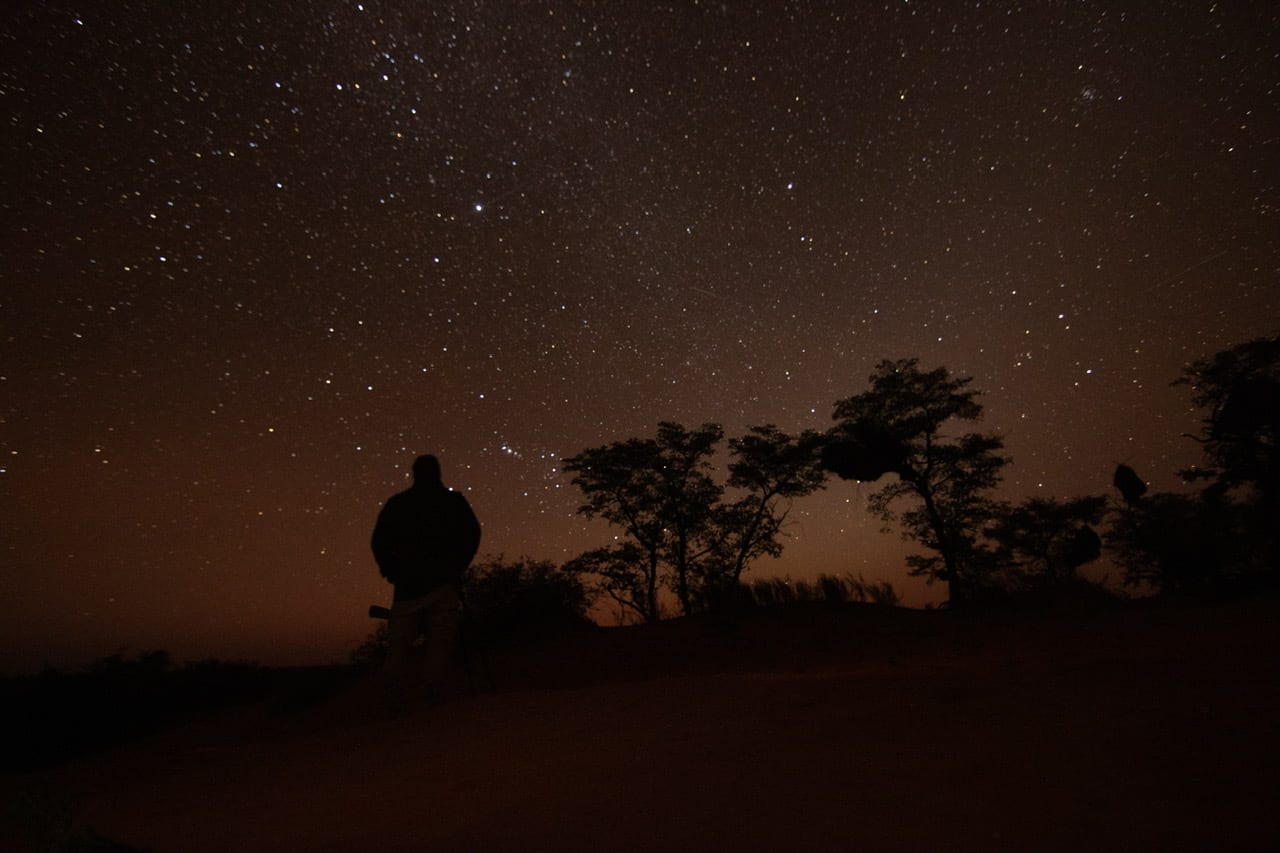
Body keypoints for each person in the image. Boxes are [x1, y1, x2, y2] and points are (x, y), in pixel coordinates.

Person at [371, 454, 481, 707]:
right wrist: (458, 566)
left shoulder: (398, 504)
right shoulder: (453, 501)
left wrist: (390, 571)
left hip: (407, 588)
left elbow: (379, 541)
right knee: (438, 646)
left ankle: (392, 701)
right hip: (444, 584)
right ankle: (430, 700)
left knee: (398, 646)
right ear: (438, 473)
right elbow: (472, 534)